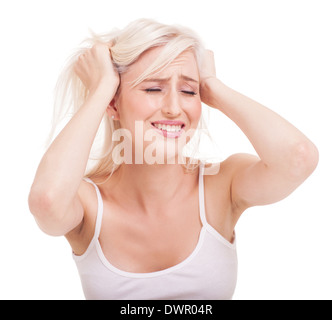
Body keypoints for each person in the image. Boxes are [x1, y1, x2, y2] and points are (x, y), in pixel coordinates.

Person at [28, 19, 319, 300]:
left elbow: (298, 158)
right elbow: (47, 202)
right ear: (114, 104)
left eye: (189, 91)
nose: (174, 108)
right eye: (153, 88)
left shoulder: (222, 185)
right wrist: (103, 87)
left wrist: (212, 86)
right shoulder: (89, 202)